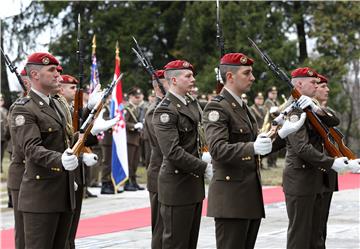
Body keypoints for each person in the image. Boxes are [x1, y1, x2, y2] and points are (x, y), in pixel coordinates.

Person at [202, 53, 307, 249]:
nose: (252, 77)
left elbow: (259, 147)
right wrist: (253, 147)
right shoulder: (217, 107)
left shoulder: (242, 107)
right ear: (230, 77)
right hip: (231, 199)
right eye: (247, 73)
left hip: (249, 197)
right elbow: (217, 149)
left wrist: (282, 134)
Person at [11, 52, 78, 249]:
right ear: (35, 75)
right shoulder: (24, 109)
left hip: (63, 192)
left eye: (57, 70)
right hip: (41, 196)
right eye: (51, 70)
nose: (58, 75)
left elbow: (65, 140)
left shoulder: (56, 104)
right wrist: (60, 160)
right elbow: (31, 149)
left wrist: (89, 133)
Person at [282, 67, 350, 249]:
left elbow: (334, 121)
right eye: (313, 82)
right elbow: (301, 148)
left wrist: (316, 108)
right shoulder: (294, 110)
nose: (317, 85)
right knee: (300, 237)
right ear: (299, 84)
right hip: (301, 180)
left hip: (315, 179)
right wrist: (331, 162)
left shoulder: (310, 106)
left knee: (317, 235)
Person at [152, 60, 212, 249]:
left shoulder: (192, 104)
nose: (193, 79)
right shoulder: (165, 110)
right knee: (176, 242)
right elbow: (172, 152)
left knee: (189, 242)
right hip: (176, 186)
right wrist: (204, 168)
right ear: (174, 80)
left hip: (193, 185)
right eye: (188, 76)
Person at [143, 69, 169, 248]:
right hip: (160, 173)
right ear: (159, 86)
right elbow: (164, 145)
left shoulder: (168, 107)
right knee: (161, 228)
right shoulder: (155, 111)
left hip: (167, 173)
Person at [124, 86, 146, 191]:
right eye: (136, 97)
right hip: (129, 139)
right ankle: (127, 182)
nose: (138, 99)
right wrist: (134, 126)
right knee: (129, 162)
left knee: (135, 162)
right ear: (131, 97)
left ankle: (133, 181)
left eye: (139, 97)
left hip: (137, 139)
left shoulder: (137, 108)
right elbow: (123, 122)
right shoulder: (126, 108)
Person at [264, 86, 280, 168]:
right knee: (271, 144)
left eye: (275, 93)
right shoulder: (268, 102)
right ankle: (270, 162)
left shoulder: (276, 102)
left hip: (276, 126)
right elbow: (275, 112)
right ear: (268, 94)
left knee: (276, 143)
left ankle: (274, 162)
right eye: (272, 93)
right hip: (270, 126)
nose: (274, 95)